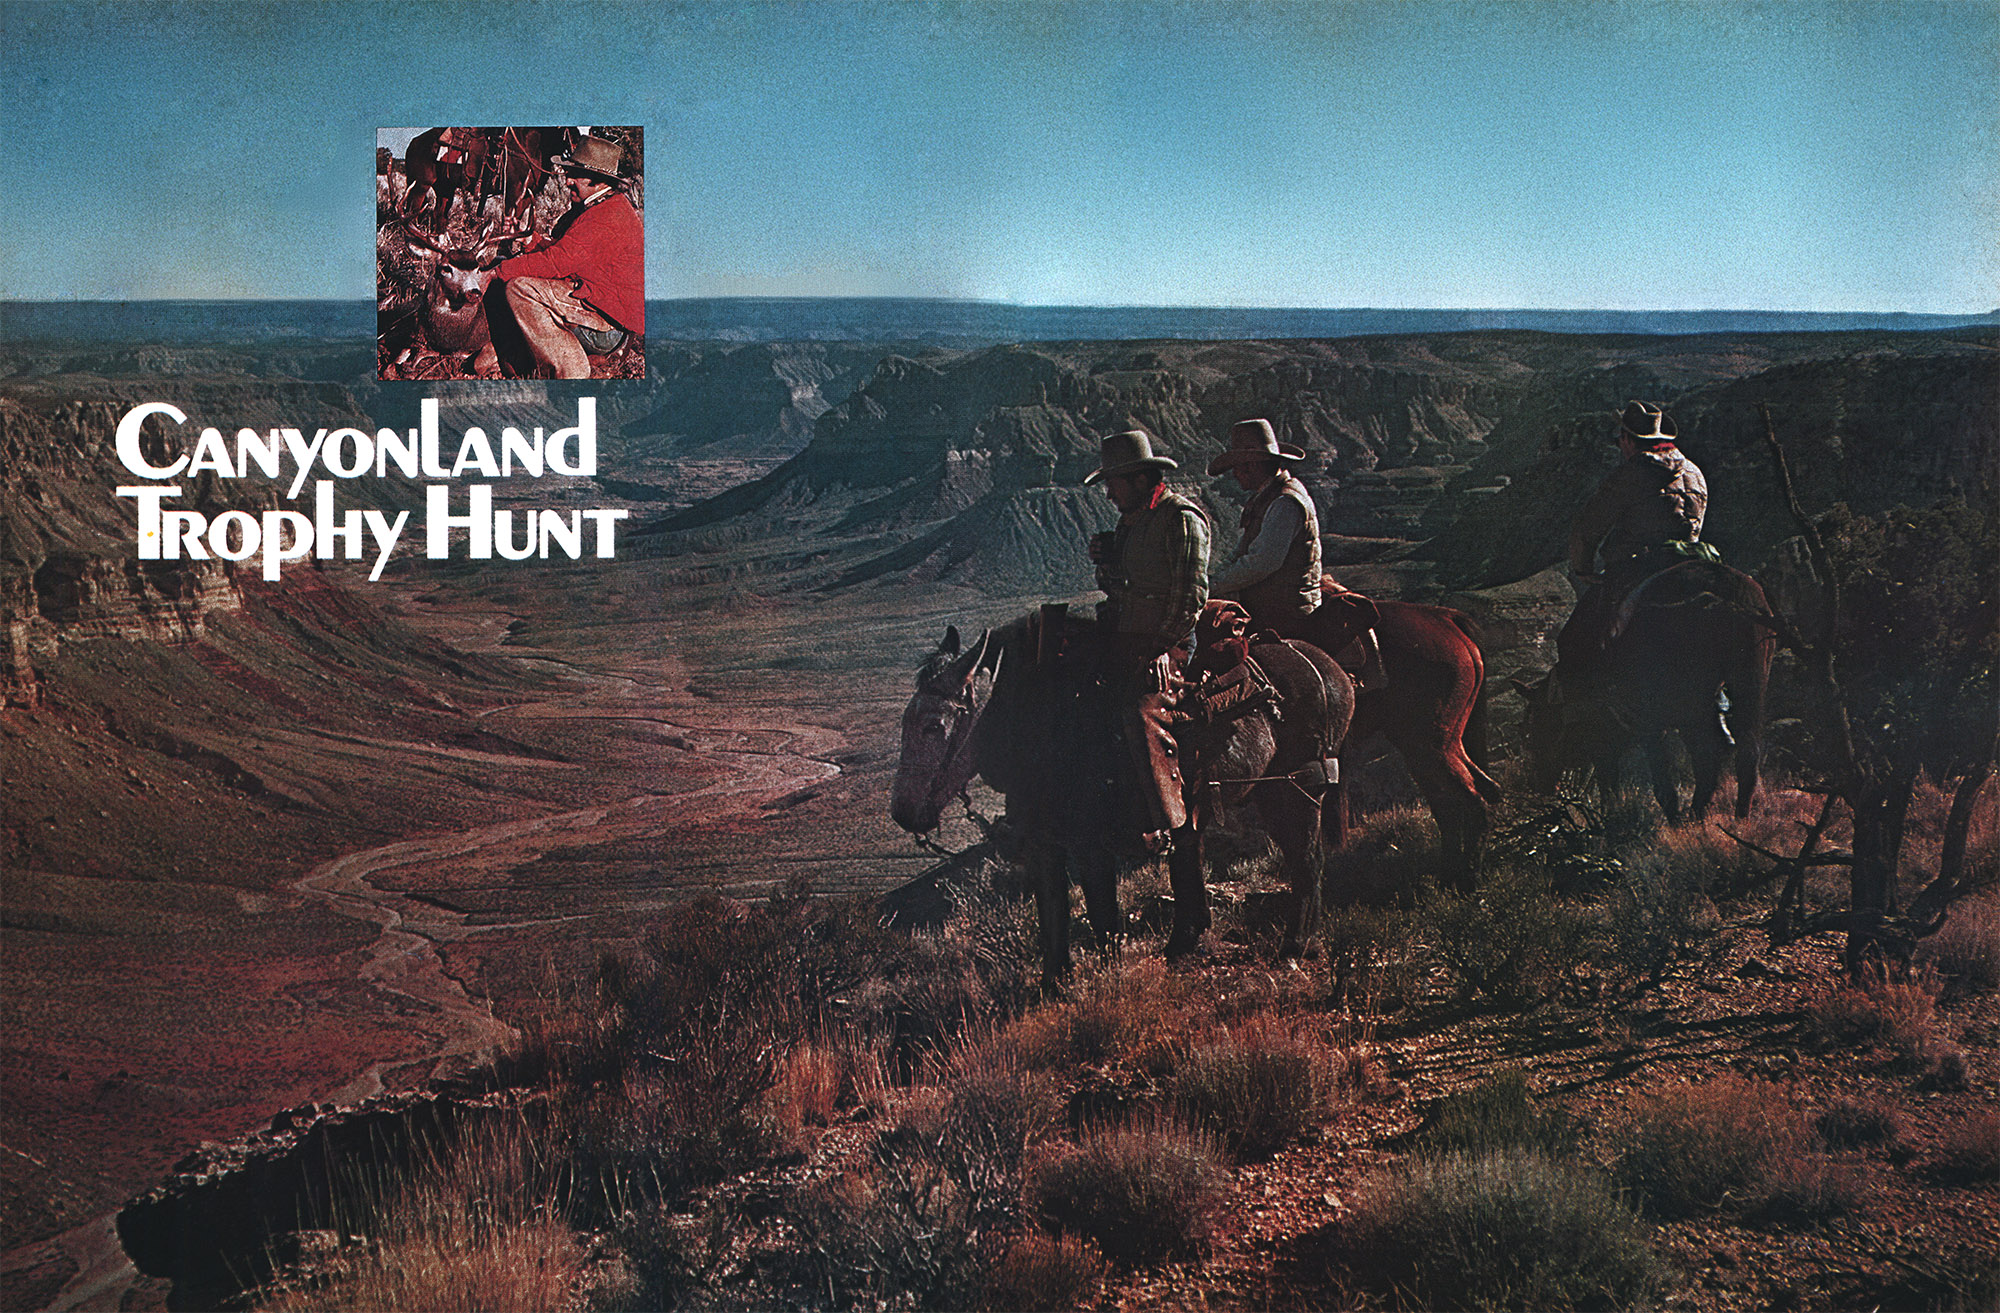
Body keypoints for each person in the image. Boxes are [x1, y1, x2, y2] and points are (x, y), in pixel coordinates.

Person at [1085, 429, 1211, 851]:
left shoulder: (1181, 520)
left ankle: (1169, 822)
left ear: (1141, 480)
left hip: (1167, 640)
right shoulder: (1130, 522)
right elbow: (1120, 588)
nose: (1108, 495)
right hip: (1128, 635)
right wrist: (1106, 562)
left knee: (1142, 711)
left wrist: (1162, 646)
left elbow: (1190, 596)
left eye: (1114, 484)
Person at [1208, 418, 1383, 688]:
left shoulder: (1284, 503)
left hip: (1286, 608)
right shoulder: (1267, 498)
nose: (1235, 475)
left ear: (1252, 466)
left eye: (1237, 468)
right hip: (1276, 600)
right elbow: (1243, 551)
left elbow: (1262, 563)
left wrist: (1214, 585)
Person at [1557, 400, 1710, 676]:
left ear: (1629, 440)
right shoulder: (1695, 472)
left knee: (1572, 640)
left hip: (1639, 566)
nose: (1620, 445)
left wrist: (1583, 568)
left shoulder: (1632, 474)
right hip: (1692, 560)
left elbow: (1588, 526)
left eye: (1621, 439)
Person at [479, 135, 644, 379]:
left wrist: (497, 272)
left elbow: (557, 262)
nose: (567, 182)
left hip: (607, 326)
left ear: (598, 181)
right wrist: (529, 240)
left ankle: (569, 372)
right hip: (598, 304)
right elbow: (569, 253)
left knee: (521, 288)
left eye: (574, 175)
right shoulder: (605, 207)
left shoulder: (605, 217)